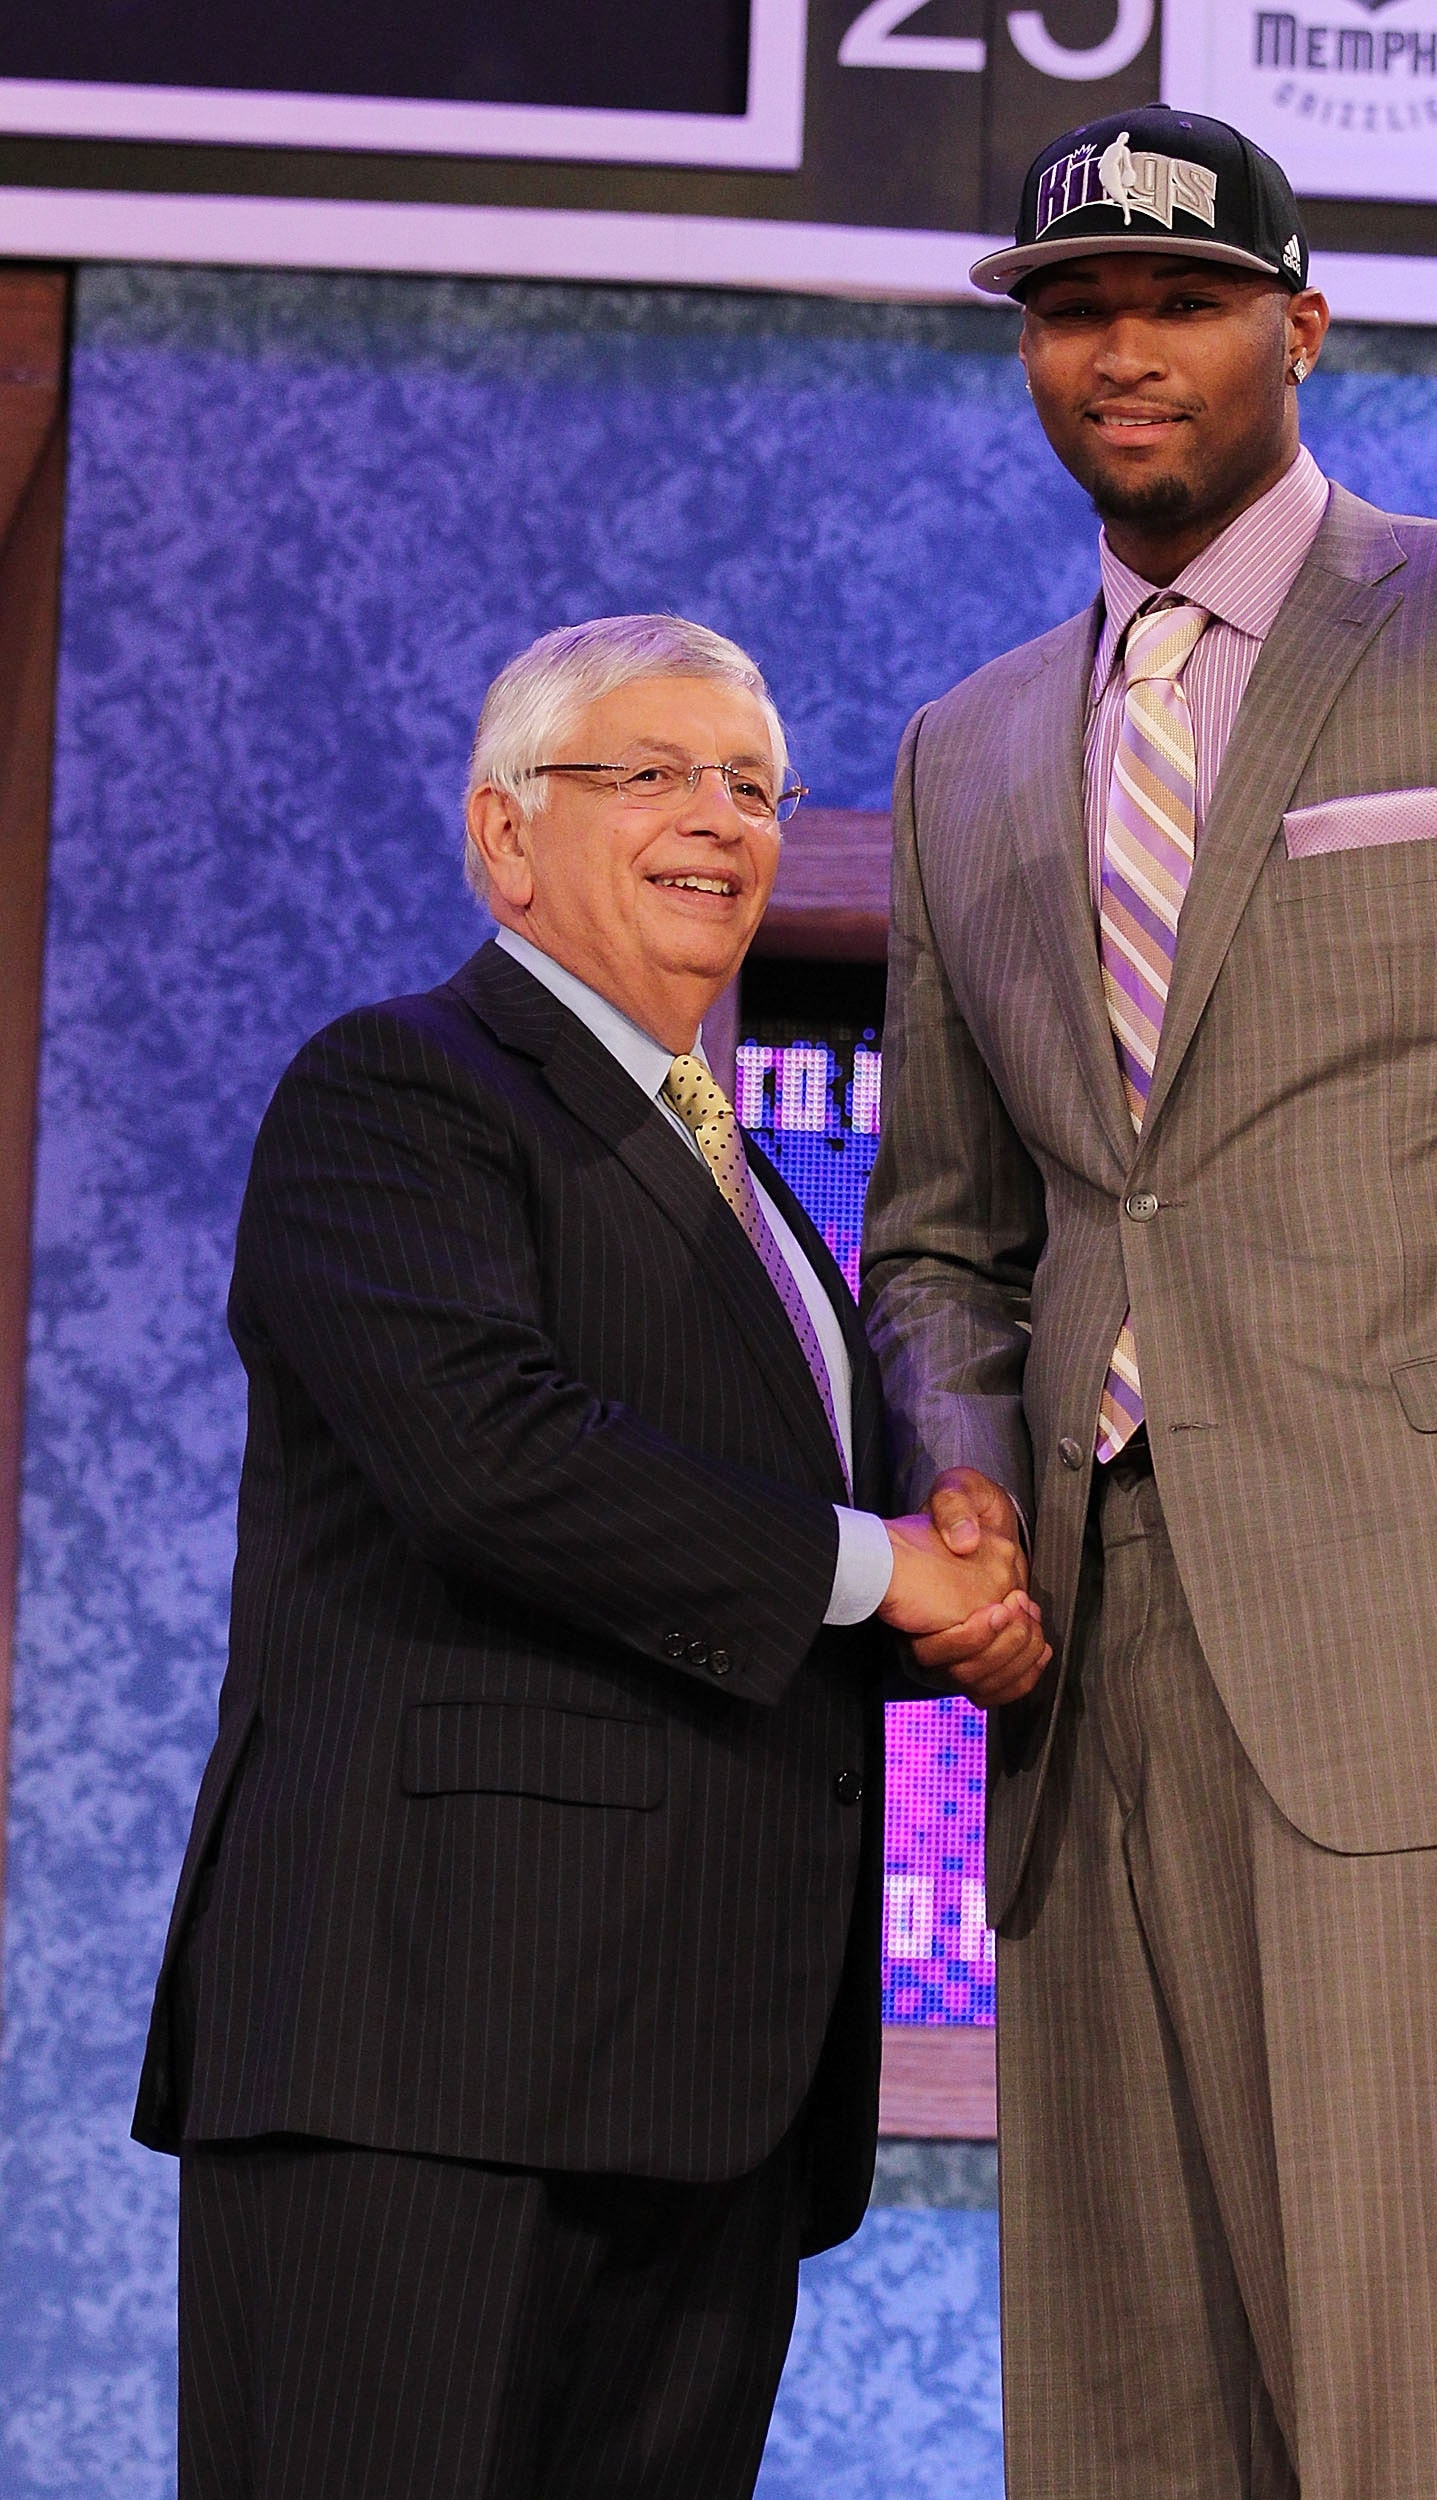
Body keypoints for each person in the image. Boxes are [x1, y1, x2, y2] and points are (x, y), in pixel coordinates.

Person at [861, 106, 1437, 2500]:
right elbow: (950, 1238)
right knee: (1123, 2427)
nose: (1121, 353)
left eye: (1174, 303)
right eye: (1073, 313)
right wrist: (961, 1459)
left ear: (1301, 318)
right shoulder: (965, 747)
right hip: (1085, 1702)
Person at [132, 614, 1046, 2500]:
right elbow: (495, 1459)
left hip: (706, 2091)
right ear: (503, 836)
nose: (714, 818)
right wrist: (888, 1574)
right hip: (426, 2065)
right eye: (643, 774)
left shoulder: (742, 1175)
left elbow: (746, 1554)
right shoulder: (400, 1091)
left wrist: (968, 1590)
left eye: (749, 784)